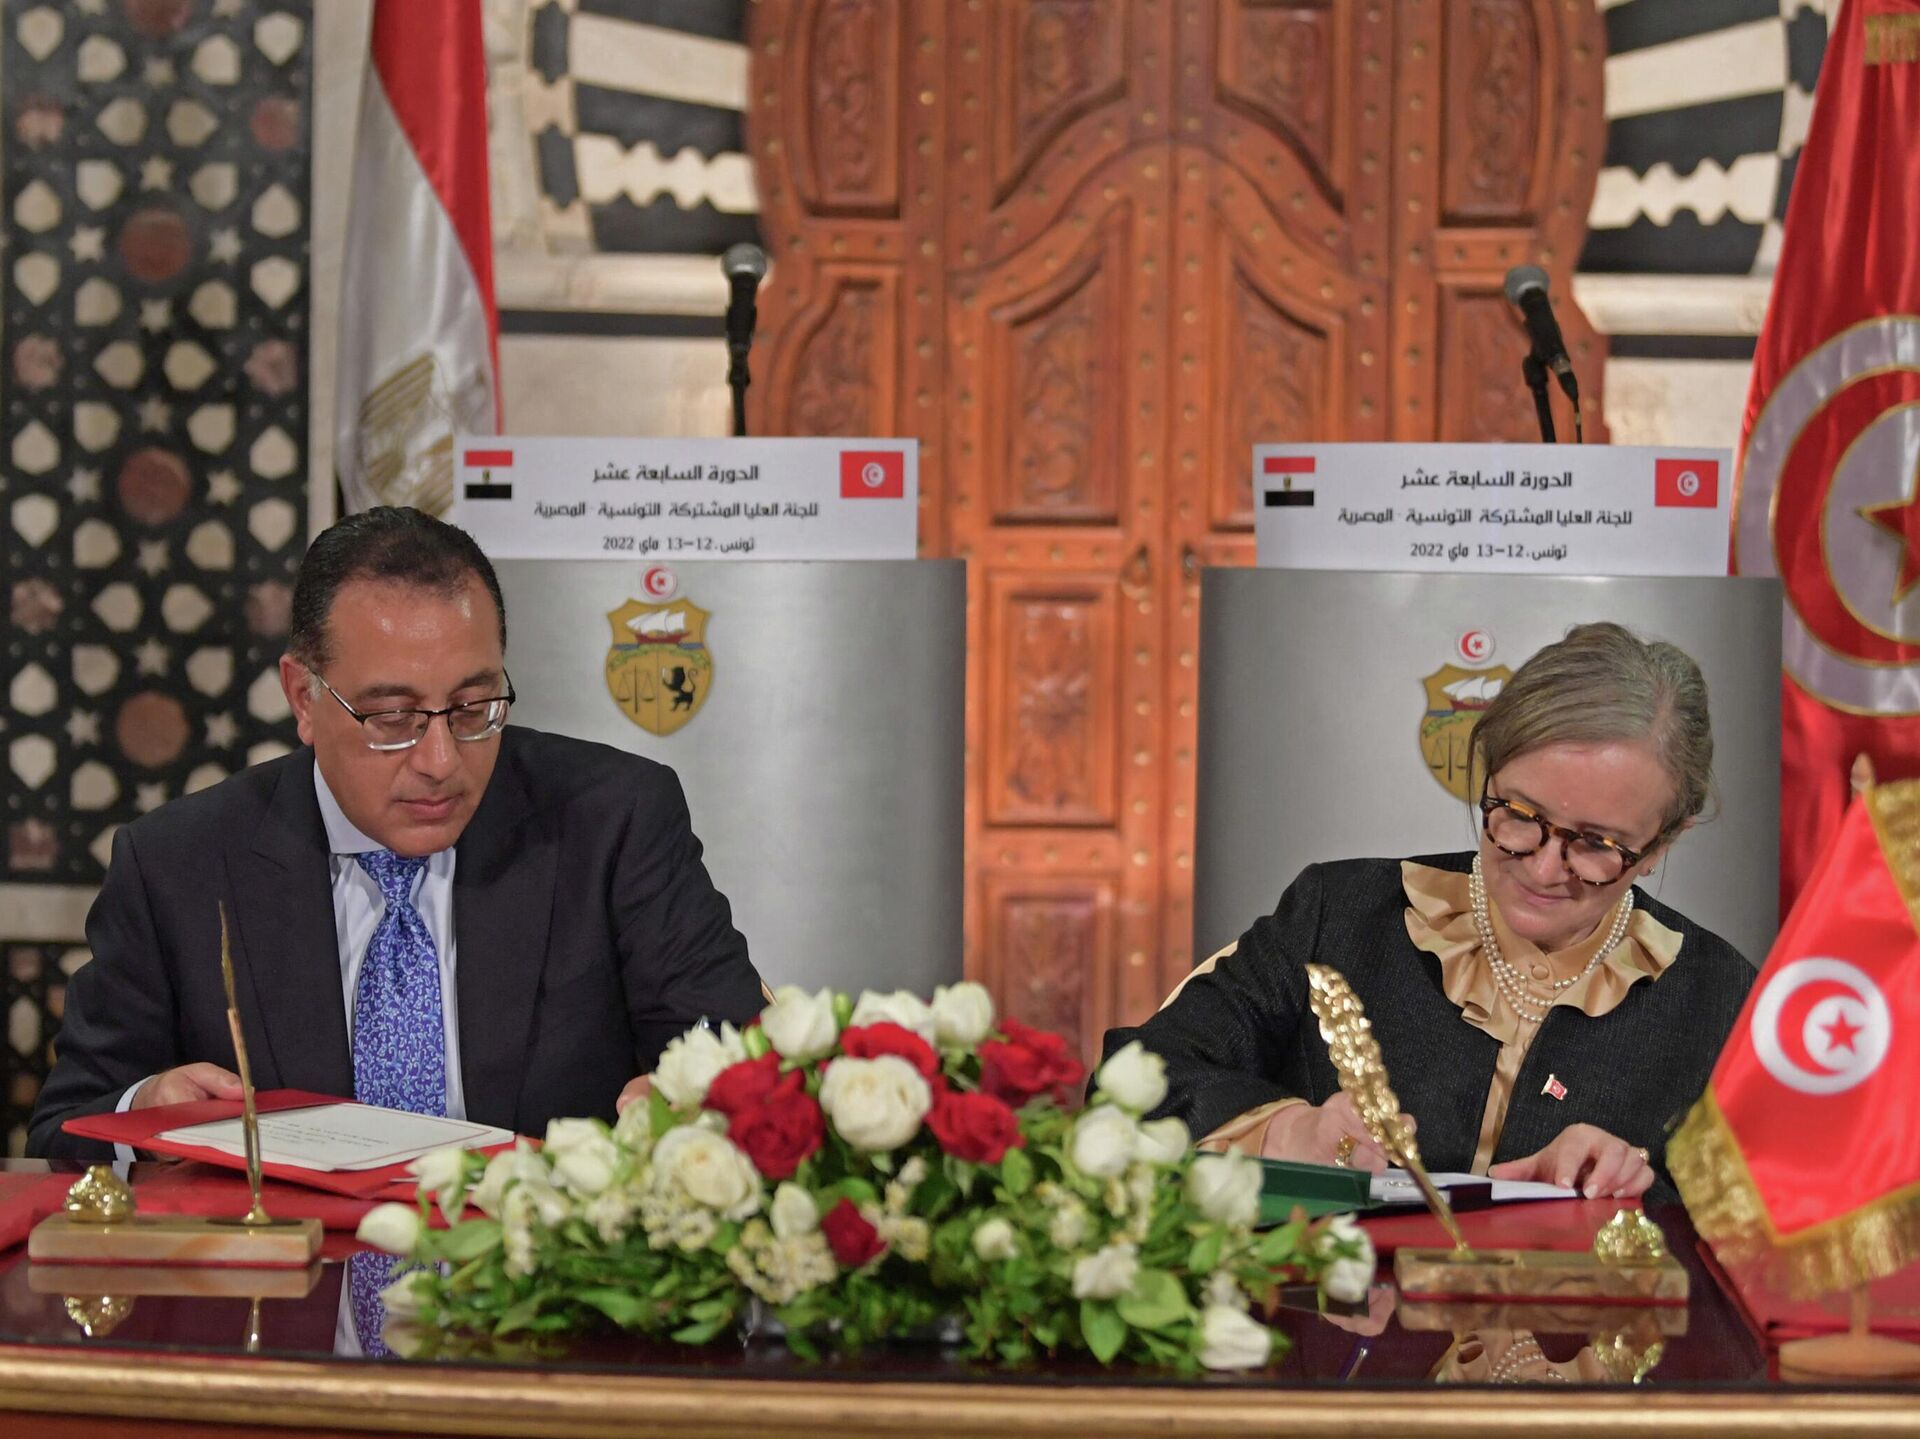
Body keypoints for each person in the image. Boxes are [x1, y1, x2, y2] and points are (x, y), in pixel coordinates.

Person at [30, 507, 764, 1159]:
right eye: (392, 717)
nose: (441, 761)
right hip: (293, 1271)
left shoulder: (613, 821)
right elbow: (66, 1127)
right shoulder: (179, 864)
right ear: (303, 697)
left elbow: (738, 1059)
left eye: (473, 707)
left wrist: (698, 1100)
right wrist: (148, 1111)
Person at [1101, 622, 1754, 1203]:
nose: (1543, 868)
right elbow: (1136, 1077)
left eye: (1596, 844)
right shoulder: (1339, 915)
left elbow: (1762, 1226)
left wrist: (1622, 1189)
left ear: (1660, 844)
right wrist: (1284, 1130)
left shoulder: (1723, 1000)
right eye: (1518, 815)